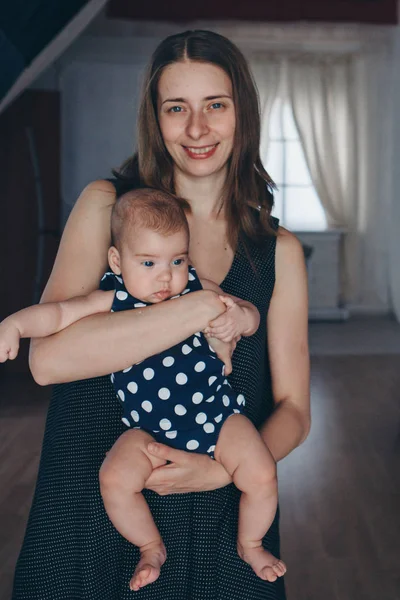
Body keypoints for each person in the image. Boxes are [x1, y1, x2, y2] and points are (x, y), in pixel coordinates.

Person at [12, 29, 310, 600]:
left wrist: (224, 470)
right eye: (177, 108)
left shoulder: (279, 250)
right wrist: (197, 307)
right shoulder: (108, 206)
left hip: (224, 520)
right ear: (156, 119)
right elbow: (48, 361)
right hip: (94, 506)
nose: (197, 130)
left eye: (215, 106)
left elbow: (295, 409)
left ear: (241, 113)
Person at [1, 188, 287, 590]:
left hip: (216, 416)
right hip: (147, 429)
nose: (165, 275)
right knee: (114, 478)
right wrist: (15, 325)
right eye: (148, 262)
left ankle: (251, 542)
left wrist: (240, 320)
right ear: (117, 261)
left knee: (260, 470)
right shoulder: (115, 297)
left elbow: (246, 310)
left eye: (177, 259)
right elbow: (59, 313)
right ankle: (150, 546)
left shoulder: (192, 285)